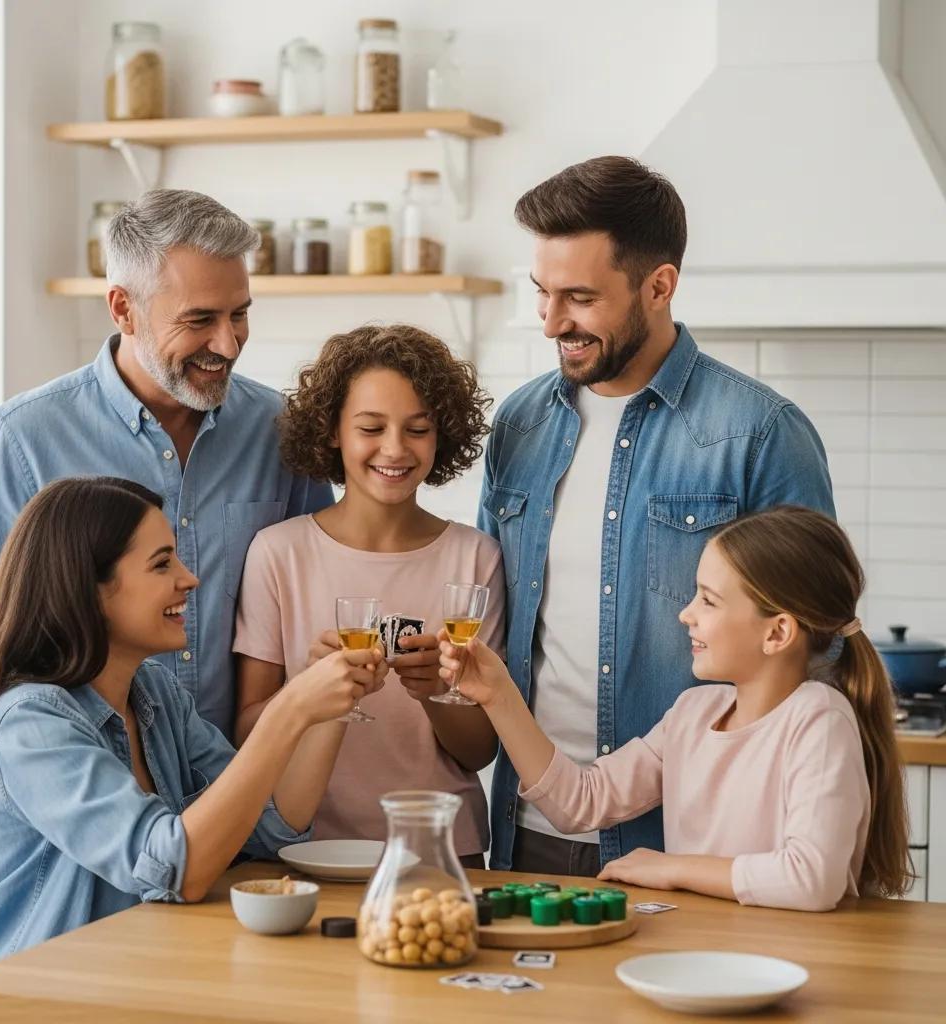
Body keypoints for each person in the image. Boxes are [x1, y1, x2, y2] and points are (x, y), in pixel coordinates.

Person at [0, 189, 332, 903]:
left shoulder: (277, 430)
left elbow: (307, 588)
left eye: (240, 315)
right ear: (123, 308)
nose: (228, 343)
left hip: (221, 803)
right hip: (75, 806)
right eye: (199, 320)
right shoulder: (24, 437)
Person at [479, 156, 836, 873]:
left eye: (579, 297)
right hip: (532, 828)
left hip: (698, 843)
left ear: (659, 285)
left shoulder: (759, 433)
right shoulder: (519, 425)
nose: (552, 323)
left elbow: (814, 652)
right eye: (542, 294)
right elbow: (495, 615)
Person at [0, 477, 384, 978]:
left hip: (135, 984)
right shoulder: (30, 725)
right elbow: (179, 870)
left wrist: (331, 703)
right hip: (30, 1001)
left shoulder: (154, 693)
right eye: (162, 563)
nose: (189, 579)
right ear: (88, 589)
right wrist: (290, 710)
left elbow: (272, 826)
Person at [440, 506, 912, 910]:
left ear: (777, 633)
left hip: (790, 967)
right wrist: (498, 695)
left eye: (708, 600)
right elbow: (579, 802)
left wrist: (671, 867)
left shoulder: (818, 719)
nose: (686, 613)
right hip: (704, 954)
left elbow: (813, 879)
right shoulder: (693, 713)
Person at [233, 325, 504, 866]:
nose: (395, 449)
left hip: (444, 850)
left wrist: (432, 690)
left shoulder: (476, 557)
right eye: (371, 428)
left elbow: (482, 750)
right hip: (306, 848)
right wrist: (310, 691)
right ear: (333, 431)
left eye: (418, 429)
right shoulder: (278, 553)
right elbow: (244, 731)